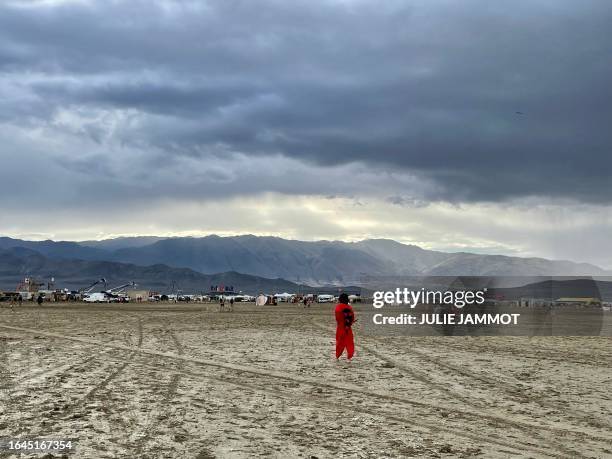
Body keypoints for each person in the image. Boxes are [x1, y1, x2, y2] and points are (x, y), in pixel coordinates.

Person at [335, 293, 355, 360]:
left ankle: (337, 355)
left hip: (340, 327)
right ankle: (350, 356)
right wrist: (350, 323)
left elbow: (337, 318)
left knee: (339, 342)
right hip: (348, 328)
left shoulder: (338, 307)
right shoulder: (349, 307)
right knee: (349, 342)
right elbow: (351, 317)